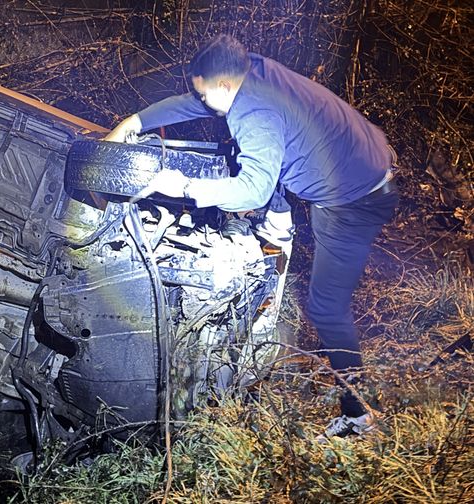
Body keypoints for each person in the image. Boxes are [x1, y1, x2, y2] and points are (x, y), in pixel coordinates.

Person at [105, 34, 398, 439]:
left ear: (225, 84)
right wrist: (135, 121)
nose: (204, 104)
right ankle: (277, 231)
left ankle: (360, 413)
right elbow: (198, 101)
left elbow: (252, 190)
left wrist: (184, 187)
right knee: (251, 156)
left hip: (356, 195)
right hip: (357, 150)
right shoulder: (249, 70)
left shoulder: (254, 112)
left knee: (326, 306)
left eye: (207, 95)